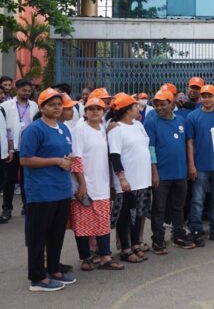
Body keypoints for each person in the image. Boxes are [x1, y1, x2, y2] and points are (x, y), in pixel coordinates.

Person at [20, 89, 77, 291]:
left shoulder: (64, 128)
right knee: (38, 236)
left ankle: (54, 269)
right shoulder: (34, 130)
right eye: (51, 105)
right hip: (41, 191)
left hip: (62, 189)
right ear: (42, 107)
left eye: (59, 104)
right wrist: (56, 161)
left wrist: (67, 159)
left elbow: (65, 154)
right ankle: (37, 278)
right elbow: (25, 159)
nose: (57, 108)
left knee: (56, 233)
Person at [69, 97, 124, 271]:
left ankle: (105, 257)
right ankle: (85, 258)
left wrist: (111, 185)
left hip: (102, 185)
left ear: (103, 112)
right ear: (85, 112)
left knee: (102, 223)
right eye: (91, 109)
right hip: (85, 185)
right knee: (82, 224)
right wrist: (82, 185)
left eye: (98, 109)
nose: (95, 111)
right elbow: (76, 159)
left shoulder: (102, 129)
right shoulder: (80, 130)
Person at [145, 89, 196, 254]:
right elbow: (150, 148)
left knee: (178, 207)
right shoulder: (151, 122)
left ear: (171, 103)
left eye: (163, 104)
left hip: (180, 173)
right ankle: (158, 239)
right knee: (159, 208)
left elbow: (187, 144)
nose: (159, 108)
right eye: (156, 105)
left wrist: (190, 166)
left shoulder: (181, 120)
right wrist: (154, 172)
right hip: (161, 174)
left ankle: (178, 235)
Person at [107, 94, 152, 261]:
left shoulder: (138, 125)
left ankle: (135, 244)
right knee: (124, 215)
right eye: (135, 106)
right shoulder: (116, 129)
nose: (139, 108)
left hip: (142, 179)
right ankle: (125, 248)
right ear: (127, 110)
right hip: (127, 181)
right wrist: (122, 178)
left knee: (139, 214)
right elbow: (114, 155)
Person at [186, 84, 214, 246]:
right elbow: (189, 142)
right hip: (201, 165)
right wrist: (191, 165)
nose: (207, 99)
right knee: (198, 200)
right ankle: (196, 231)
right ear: (200, 98)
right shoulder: (192, 116)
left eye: (210, 96)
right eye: (204, 96)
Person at [1, 78, 38, 223]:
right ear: (17, 89)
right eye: (24, 90)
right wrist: (8, 148)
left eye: (29, 91)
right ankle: (7, 208)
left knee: (27, 179)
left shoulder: (34, 105)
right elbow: (3, 128)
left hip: (29, 148)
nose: (26, 93)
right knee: (9, 180)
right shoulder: (6, 106)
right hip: (13, 149)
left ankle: (27, 205)